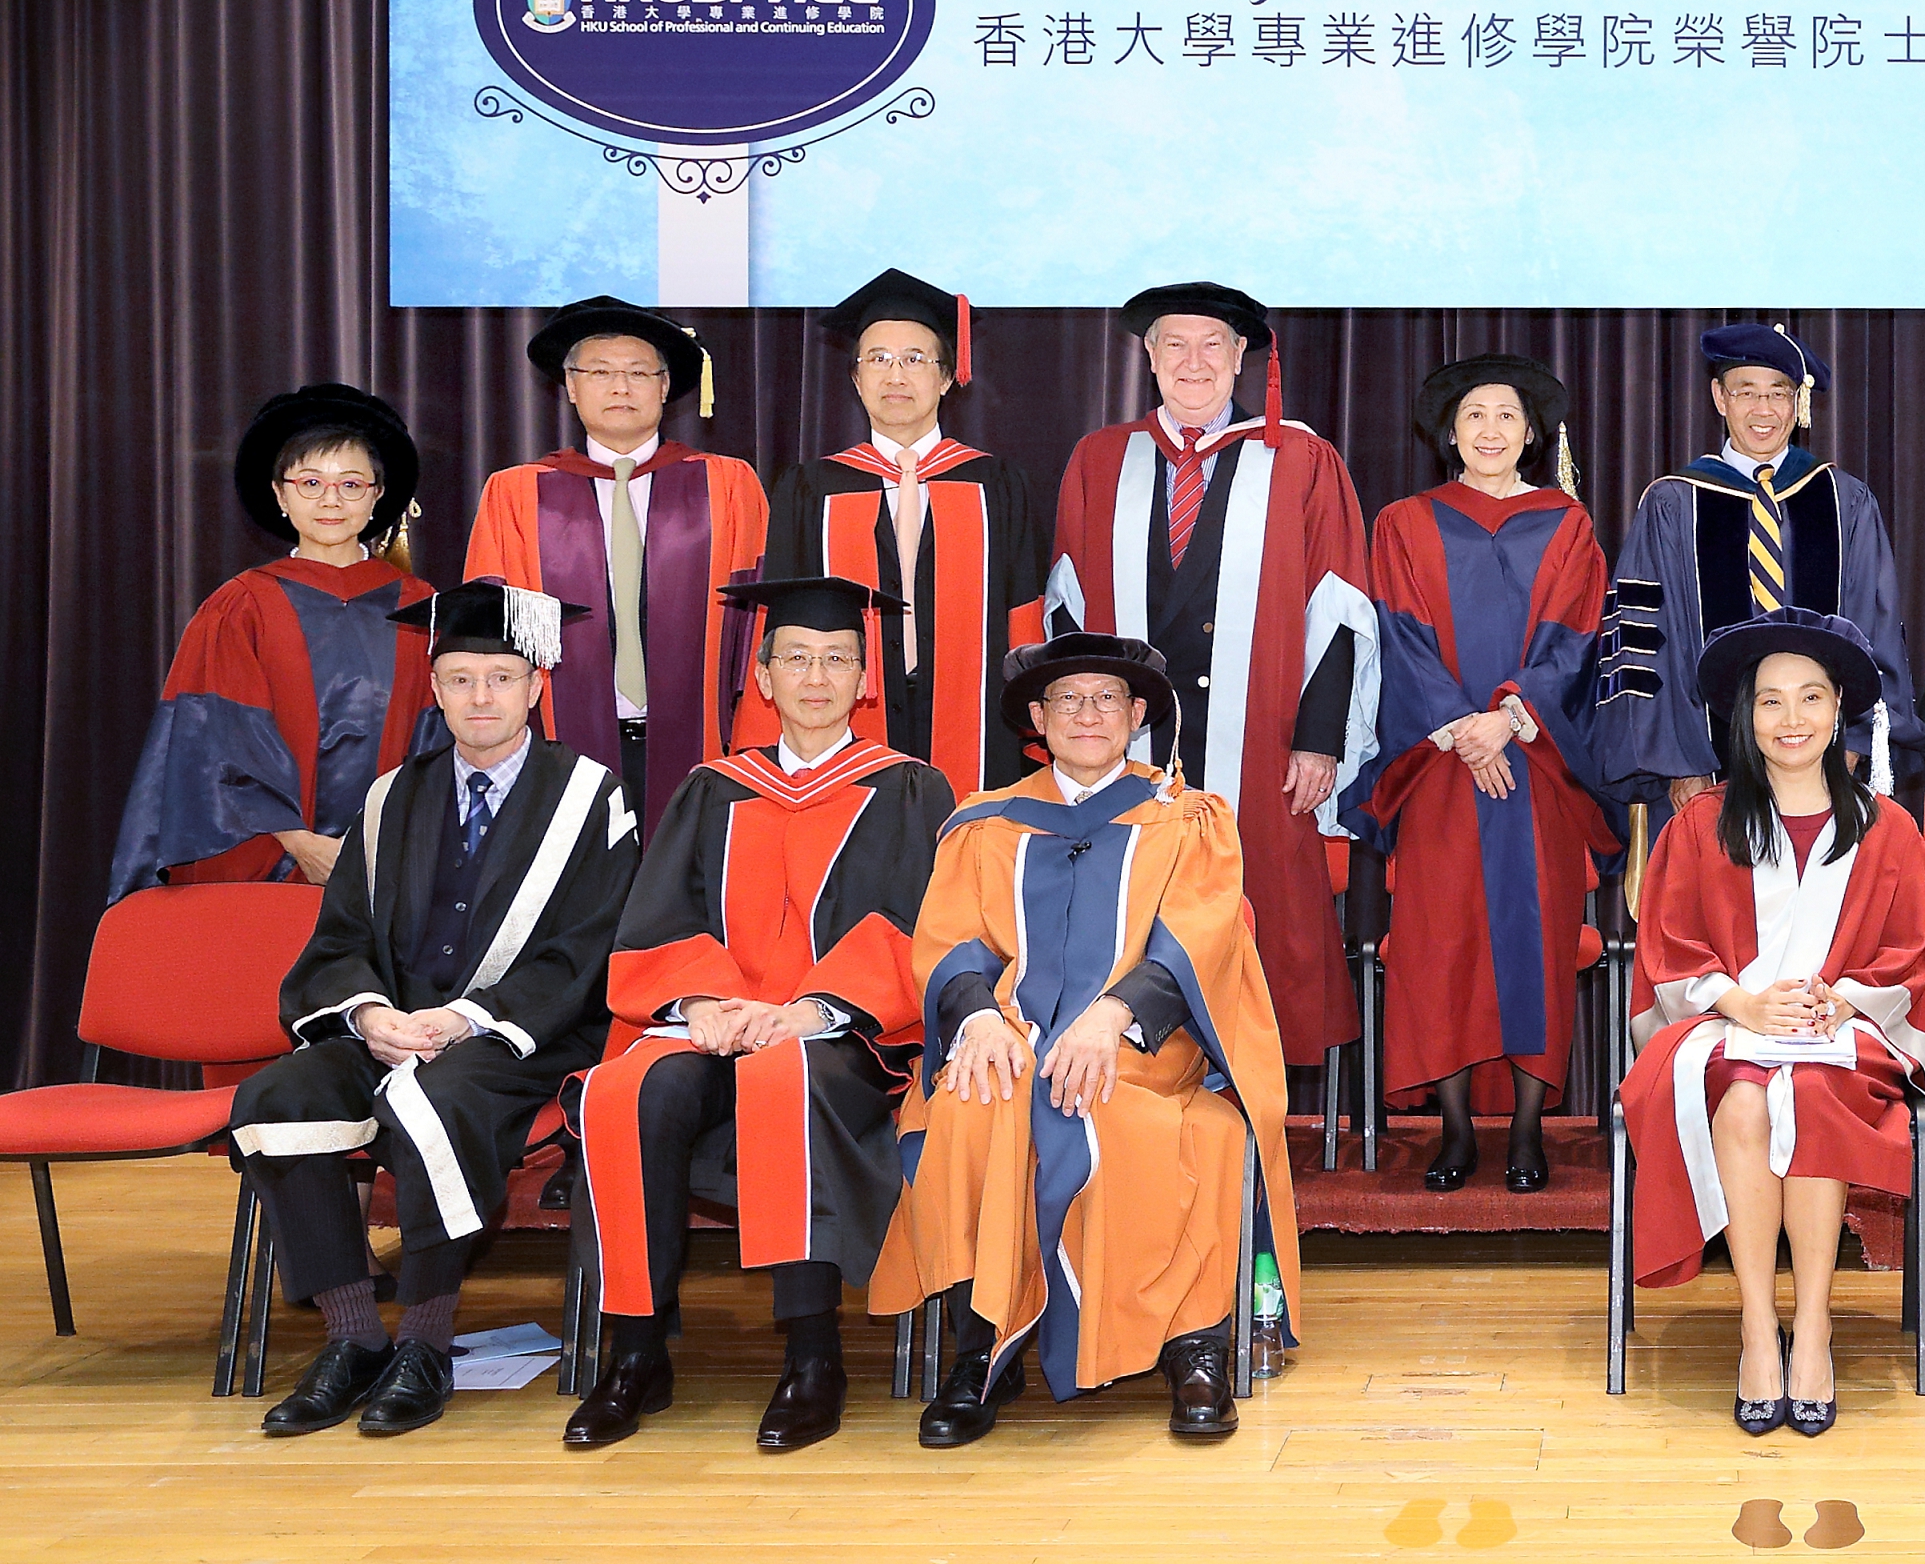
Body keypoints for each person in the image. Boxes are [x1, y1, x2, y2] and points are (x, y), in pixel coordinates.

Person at [228, 583, 640, 1439]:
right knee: (278, 1096)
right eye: (460, 678)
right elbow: (342, 933)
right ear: (436, 688)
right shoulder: (391, 798)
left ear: (535, 686)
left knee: (439, 1099)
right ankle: (352, 1337)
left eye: (501, 676)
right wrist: (370, 1013)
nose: (481, 696)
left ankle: (423, 1341)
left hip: (516, 1036)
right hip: (393, 1025)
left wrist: (465, 1020)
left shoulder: (589, 796)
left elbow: (589, 947)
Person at [871, 633, 1298, 1448]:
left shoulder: (1187, 818)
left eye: (1106, 698)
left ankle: (1191, 1345)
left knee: (1134, 1114)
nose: (1087, 713)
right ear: (1038, 718)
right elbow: (950, 940)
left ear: (1136, 715)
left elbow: (1203, 936)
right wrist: (978, 1017)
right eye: (1067, 699)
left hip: (1146, 1046)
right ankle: (982, 1347)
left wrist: (1112, 1017)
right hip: (1012, 1035)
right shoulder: (985, 823)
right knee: (970, 1101)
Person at [563, 577, 955, 1452]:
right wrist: (702, 1000)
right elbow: (659, 915)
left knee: (784, 1074)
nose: (816, 676)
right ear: (765, 678)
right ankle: (636, 1353)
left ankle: (813, 1356)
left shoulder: (912, 789)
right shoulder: (712, 787)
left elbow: (922, 924)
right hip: (714, 1021)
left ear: (865, 680)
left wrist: (812, 1007)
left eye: (837, 659)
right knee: (630, 1090)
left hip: (841, 1036)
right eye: (796, 658)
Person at [1619, 611, 1925, 1438]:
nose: (1791, 717)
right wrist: (1741, 1002)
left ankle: (1812, 1326)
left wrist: (1844, 998)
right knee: (1742, 1097)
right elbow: (1666, 945)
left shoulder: (1889, 828)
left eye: (1809, 697)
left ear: (1838, 707)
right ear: (1746, 716)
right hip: (1725, 1025)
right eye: (1770, 700)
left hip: (1848, 1030)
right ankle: (1755, 1325)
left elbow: (1912, 952)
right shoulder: (1700, 823)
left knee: (1808, 1090)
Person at [1047, 281, 1379, 1071]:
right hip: (1127, 745)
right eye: (1174, 344)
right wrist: (1081, 730)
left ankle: (1253, 1090)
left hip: (1261, 739)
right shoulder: (1101, 458)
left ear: (1239, 359)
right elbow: (1067, 605)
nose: (1192, 361)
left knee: (1261, 907)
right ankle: (1131, 1071)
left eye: (1211, 345)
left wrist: (1319, 738)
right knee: (1126, 904)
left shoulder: (1299, 459)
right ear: (1149, 357)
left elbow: (1337, 607)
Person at [1346, 357, 1618, 1194]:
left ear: (1530, 433)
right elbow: (1399, 635)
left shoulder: (1565, 523)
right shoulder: (1403, 522)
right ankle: (1456, 1127)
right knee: (1442, 943)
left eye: (1506, 415)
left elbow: (1575, 636)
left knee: (1536, 940)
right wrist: (1462, 728)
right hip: (1439, 764)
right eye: (1474, 415)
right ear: (1450, 433)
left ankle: (1529, 1128)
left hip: (1534, 762)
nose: (1490, 429)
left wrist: (1507, 715)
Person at [111, 385, 435, 897]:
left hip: (391, 867)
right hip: (268, 871)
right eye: (311, 482)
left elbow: (437, 745)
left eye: (351, 484)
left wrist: (379, 846)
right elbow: (214, 743)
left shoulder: (422, 609)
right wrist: (299, 842)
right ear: (281, 495)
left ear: (377, 495)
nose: (331, 500)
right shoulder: (241, 606)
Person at [465, 295, 768, 838]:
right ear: (571, 385)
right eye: (600, 372)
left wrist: (749, 742)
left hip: (707, 747)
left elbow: (759, 626)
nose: (621, 387)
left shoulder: (728, 484)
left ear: (665, 386)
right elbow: (491, 638)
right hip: (557, 753)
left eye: (638, 372)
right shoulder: (515, 493)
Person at [1595, 322, 1925, 807]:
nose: (1763, 409)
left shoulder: (1845, 500)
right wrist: (1681, 765)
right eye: (1746, 392)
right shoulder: (1673, 503)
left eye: (1778, 393)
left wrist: (1854, 742)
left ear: (1798, 402)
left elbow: (1873, 626)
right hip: (1706, 767)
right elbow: (1648, 641)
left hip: (1826, 757)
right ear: (1719, 397)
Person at [759, 268, 1045, 801]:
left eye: (915, 359)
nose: (896, 375)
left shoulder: (997, 484)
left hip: (979, 715)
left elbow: (1023, 611)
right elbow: (783, 621)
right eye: (878, 359)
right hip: (845, 714)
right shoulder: (809, 488)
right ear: (856, 379)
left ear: (947, 377)